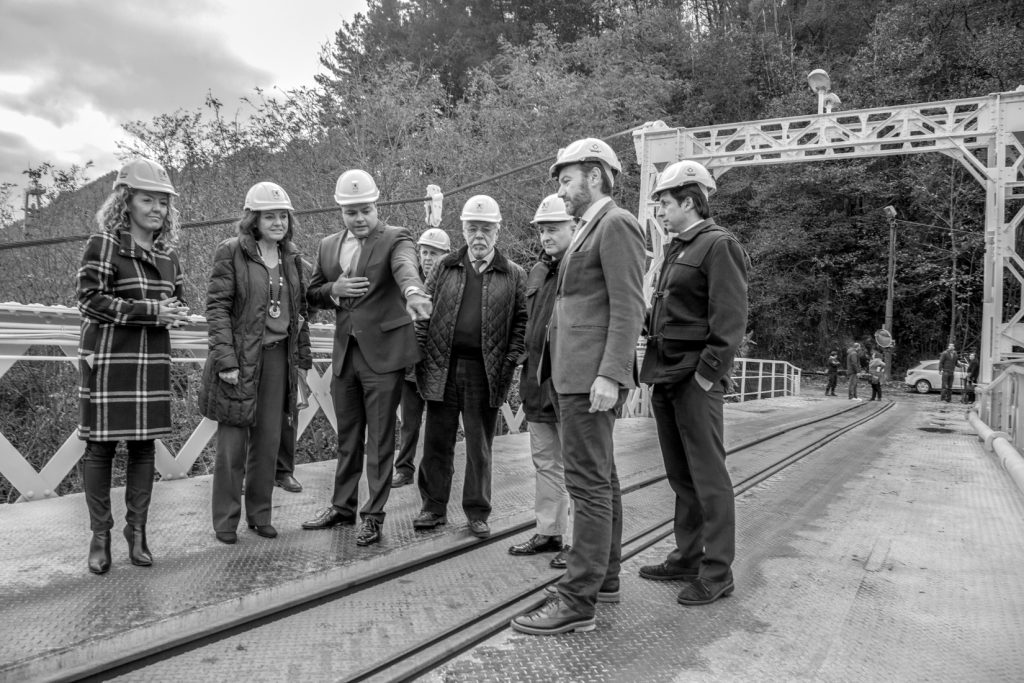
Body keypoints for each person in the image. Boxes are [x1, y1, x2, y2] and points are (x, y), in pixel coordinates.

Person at [511, 138, 645, 635]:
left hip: (591, 376)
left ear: (594, 174)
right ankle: (602, 578)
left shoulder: (616, 224)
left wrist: (611, 373)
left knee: (586, 487)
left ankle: (577, 600)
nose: (563, 190)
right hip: (575, 374)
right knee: (601, 480)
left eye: (567, 179)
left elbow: (629, 305)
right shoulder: (592, 228)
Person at [635, 160, 749, 608]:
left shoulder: (719, 246)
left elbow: (730, 319)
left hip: (693, 378)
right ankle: (687, 556)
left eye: (663, 202)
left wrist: (706, 375)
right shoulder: (677, 249)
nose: (659, 211)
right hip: (665, 372)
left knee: (708, 477)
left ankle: (717, 572)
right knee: (682, 475)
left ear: (688, 201)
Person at [302, 169, 432, 546]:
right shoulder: (327, 246)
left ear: (377, 207)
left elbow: (406, 267)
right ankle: (342, 507)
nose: (359, 218)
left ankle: (372, 515)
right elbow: (312, 293)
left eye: (366, 210)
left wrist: (412, 292)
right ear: (340, 211)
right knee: (347, 437)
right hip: (345, 354)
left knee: (379, 440)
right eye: (351, 212)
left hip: (383, 356)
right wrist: (334, 290)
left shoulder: (396, 238)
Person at [76, 158, 190, 574]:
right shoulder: (103, 244)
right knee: (100, 449)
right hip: (110, 360)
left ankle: (136, 533)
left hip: (152, 361)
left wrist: (178, 313)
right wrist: (152, 311)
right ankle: (100, 535)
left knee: (144, 449)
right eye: (148, 200)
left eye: (163, 202)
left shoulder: (168, 257)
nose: (157, 208)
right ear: (126, 201)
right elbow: (89, 301)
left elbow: (175, 302)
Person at [199, 182, 312, 544]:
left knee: (268, 442)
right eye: (270, 215)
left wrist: (303, 363)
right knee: (233, 445)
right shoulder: (231, 252)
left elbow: (300, 315)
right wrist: (226, 360)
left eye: (283, 215)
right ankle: (225, 522)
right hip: (241, 360)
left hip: (280, 358)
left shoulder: (292, 258)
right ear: (254, 218)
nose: (278, 222)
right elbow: (216, 309)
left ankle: (260, 515)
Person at [414, 195, 527, 539]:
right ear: (463, 229)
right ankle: (433, 508)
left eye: (486, 229)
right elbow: (423, 314)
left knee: (479, 445)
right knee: (437, 442)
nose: (479, 235)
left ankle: (477, 512)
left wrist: (509, 361)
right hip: (442, 365)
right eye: (473, 228)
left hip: (486, 370)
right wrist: (419, 356)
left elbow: (521, 323)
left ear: (497, 231)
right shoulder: (445, 267)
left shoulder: (513, 274)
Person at [508, 195, 575, 568]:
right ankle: (549, 531)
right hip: (535, 382)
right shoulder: (536, 272)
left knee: (578, 466)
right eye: (543, 229)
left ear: (574, 227)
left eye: (554, 228)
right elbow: (526, 324)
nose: (546, 235)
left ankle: (579, 543)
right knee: (546, 462)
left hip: (567, 381)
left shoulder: (580, 266)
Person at [393, 228, 452, 488]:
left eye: (434, 253)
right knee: (410, 421)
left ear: (445, 255)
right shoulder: (409, 284)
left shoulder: (452, 284)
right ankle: (404, 468)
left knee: (440, 424)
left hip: (440, 364)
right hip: (411, 361)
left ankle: (436, 472)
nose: (428, 258)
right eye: (425, 252)